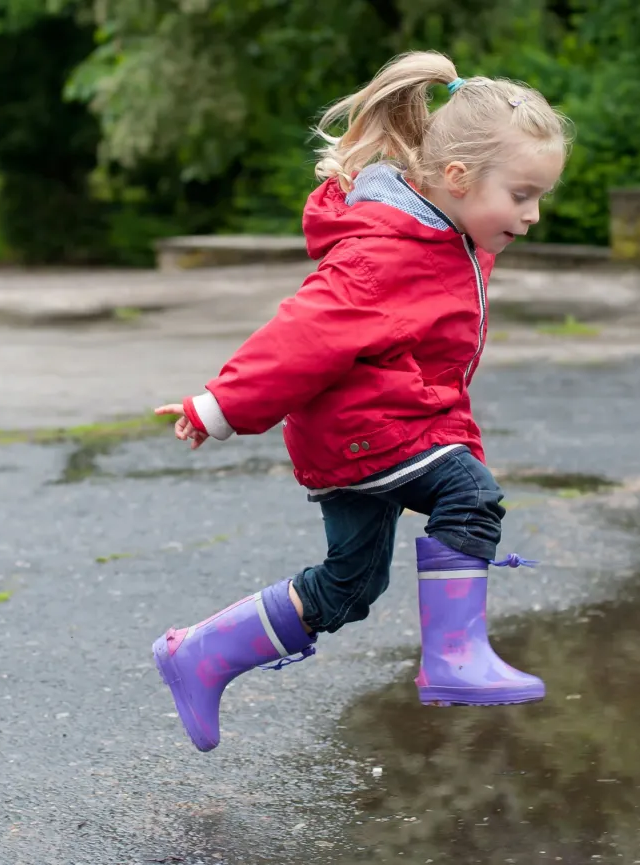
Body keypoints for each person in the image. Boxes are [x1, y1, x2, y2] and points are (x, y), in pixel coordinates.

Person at [150, 50, 571, 752]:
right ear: (459, 179)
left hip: (373, 436)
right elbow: (303, 334)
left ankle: (197, 654)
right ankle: (453, 658)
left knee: (348, 588)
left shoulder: (446, 236)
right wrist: (220, 406)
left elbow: (433, 361)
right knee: (470, 496)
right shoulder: (385, 252)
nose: (532, 215)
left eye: (539, 198)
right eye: (522, 194)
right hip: (367, 434)